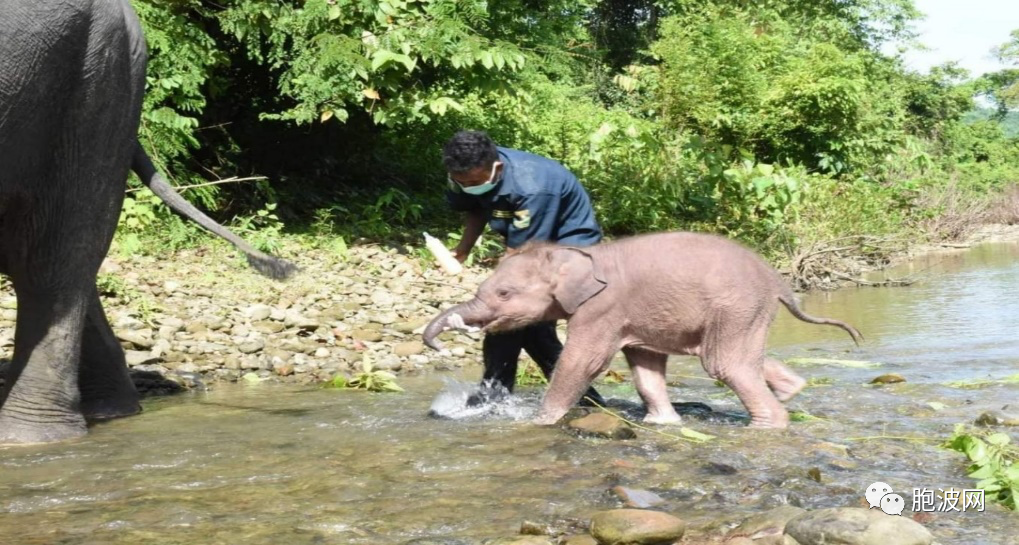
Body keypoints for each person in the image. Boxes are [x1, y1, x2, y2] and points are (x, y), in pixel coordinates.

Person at [441, 129, 606, 407]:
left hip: (569, 249)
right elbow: (476, 208)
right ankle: (583, 400)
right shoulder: (463, 175)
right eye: (462, 182)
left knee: (508, 320)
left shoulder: (533, 186)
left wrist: (485, 305)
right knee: (534, 330)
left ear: (497, 168)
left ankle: (492, 399)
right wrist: (463, 249)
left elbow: (522, 256)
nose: (468, 186)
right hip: (528, 248)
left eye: (474, 181)